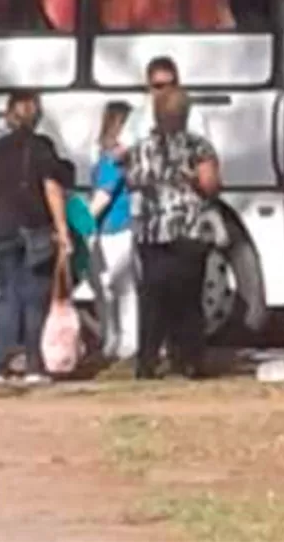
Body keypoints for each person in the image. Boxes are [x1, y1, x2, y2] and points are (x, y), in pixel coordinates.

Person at [0, 91, 76, 385]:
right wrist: (63, 228)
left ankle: (0, 365)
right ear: (37, 116)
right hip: (36, 228)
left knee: (7, 298)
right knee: (34, 299)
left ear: (8, 115)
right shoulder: (42, 148)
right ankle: (33, 365)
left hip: (2, 228)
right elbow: (52, 187)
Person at [125, 86, 222, 380]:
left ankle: (148, 362)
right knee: (188, 301)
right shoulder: (198, 147)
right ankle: (189, 361)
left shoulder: (141, 148)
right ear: (186, 114)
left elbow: (131, 182)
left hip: (152, 232)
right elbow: (209, 185)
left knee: (152, 300)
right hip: (189, 230)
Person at [90, 101, 138, 361]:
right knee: (121, 289)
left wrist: (82, 223)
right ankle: (121, 341)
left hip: (113, 228)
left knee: (112, 289)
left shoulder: (111, 160)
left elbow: (103, 196)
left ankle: (118, 340)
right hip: (119, 226)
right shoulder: (118, 158)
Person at [122, 56, 212, 148]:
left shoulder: (192, 114)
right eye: (159, 86)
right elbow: (124, 148)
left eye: (171, 85)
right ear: (149, 86)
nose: (165, 91)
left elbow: (203, 149)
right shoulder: (138, 116)